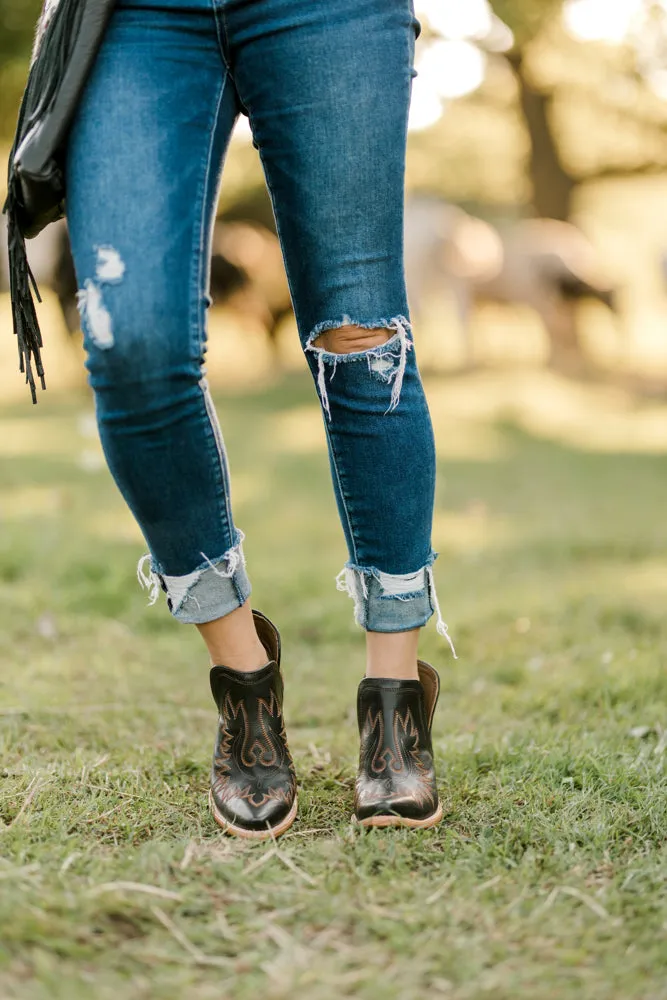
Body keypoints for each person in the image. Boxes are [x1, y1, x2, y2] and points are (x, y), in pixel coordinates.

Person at [65, 0, 455, 840]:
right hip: (136, 17)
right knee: (129, 342)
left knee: (360, 338)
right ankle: (245, 686)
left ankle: (394, 709)